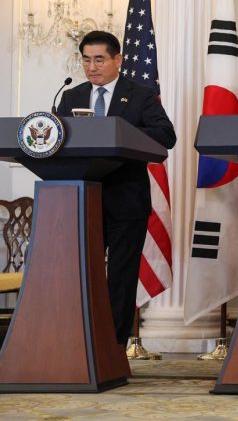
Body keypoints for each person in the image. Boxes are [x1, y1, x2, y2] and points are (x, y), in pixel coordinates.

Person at [57, 30, 176, 347]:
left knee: (121, 279)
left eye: (99, 59)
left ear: (117, 60)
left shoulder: (139, 95)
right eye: (86, 59)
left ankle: (113, 347)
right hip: (82, 199)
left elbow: (166, 135)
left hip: (126, 199)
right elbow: (55, 139)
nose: (92, 67)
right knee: (83, 275)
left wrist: (117, 132)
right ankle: (79, 344)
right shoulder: (71, 97)